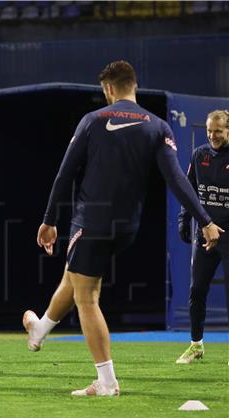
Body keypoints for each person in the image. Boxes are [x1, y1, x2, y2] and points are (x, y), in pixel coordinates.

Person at [22, 60, 222, 396]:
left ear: (110, 89)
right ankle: (39, 330)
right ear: (134, 86)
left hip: (92, 222)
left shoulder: (94, 120)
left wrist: (49, 220)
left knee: (87, 296)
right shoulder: (158, 126)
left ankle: (106, 382)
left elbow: (64, 173)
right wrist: (206, 221)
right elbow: (176, 180)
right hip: (127, 227)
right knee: (73, 276)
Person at [175, 109, 229, 364]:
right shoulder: (200, 155)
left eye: (218, 131)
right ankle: (196, 345)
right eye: (209, 130)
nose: (212, 135)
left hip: (228, 235)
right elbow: (190, 192)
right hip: (204, 235)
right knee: (196, 290)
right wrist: (184, 219)